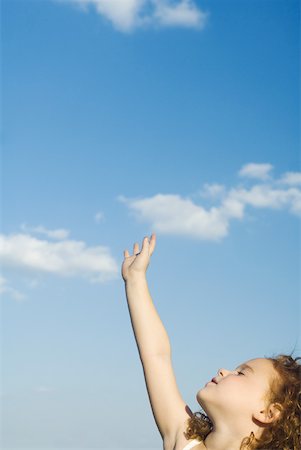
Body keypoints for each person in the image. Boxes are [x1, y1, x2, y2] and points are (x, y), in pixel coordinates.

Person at [122, 234, 301, 450]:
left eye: (242, 373)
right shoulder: (185, 442)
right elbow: (157, 357)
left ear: (268, 412)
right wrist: (135, 278)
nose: (224, 370)